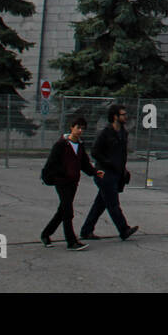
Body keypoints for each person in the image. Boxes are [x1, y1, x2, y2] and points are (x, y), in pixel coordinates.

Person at [40, 115, 103, 250]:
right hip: (62, 182)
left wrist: (95, 171)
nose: (80, 131)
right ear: (72, 128)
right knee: (68, 211)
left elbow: (84, 163)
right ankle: (71, 241)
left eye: (82, 129)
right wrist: (57, 176)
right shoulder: (61, 144)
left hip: (73, 182)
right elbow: (51, 163)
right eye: (78, 128)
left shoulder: (79, 145)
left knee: (62, 210)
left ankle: (46, 234)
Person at [80, 104, 139, 241]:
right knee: (113, 204)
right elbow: (95, 152)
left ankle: (86, 230)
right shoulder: (105, 133)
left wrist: (123, 169)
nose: (125, 117)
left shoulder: (123, 132)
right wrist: (108, 163)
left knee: (100, 204)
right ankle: (123, 229)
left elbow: (122, 154)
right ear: (115, 117)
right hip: (104, 173)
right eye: (123, 114)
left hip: (117, 173)